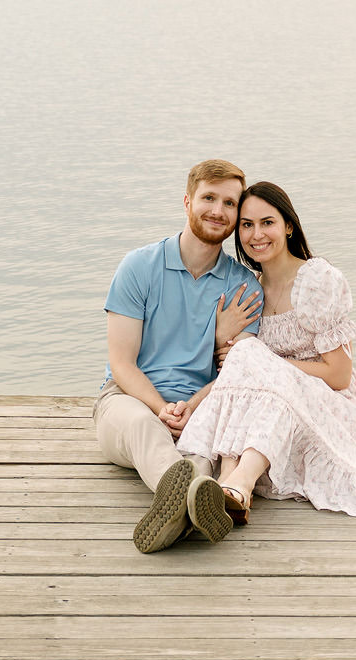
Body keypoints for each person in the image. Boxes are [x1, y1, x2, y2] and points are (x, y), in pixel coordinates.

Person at [176, 182, 356, 522]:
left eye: (267, 222)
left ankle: (235, 481)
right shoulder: (250, 290)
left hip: (332, 406)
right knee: (246, 354)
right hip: (275, 411)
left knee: (250, 353)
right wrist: (189, 405)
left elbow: (339, 375)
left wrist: (274, 364)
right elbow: (244, 374)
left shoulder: (318, 281)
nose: (257, 234)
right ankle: (230, 490)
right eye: (246, 225)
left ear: (288, 226)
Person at [96, 158, 267, 553]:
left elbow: (235, 374)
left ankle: (181, 511)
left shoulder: (244, 288)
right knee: (143, 426)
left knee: (203, 458)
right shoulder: (139, 267)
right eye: (209, 198)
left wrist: (191, 406)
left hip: (203, 409)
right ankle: (194, 503)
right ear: (187, 202)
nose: (218, 211)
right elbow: (122, 363)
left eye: (229, 203)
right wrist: (161, 408)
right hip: (128, 399)